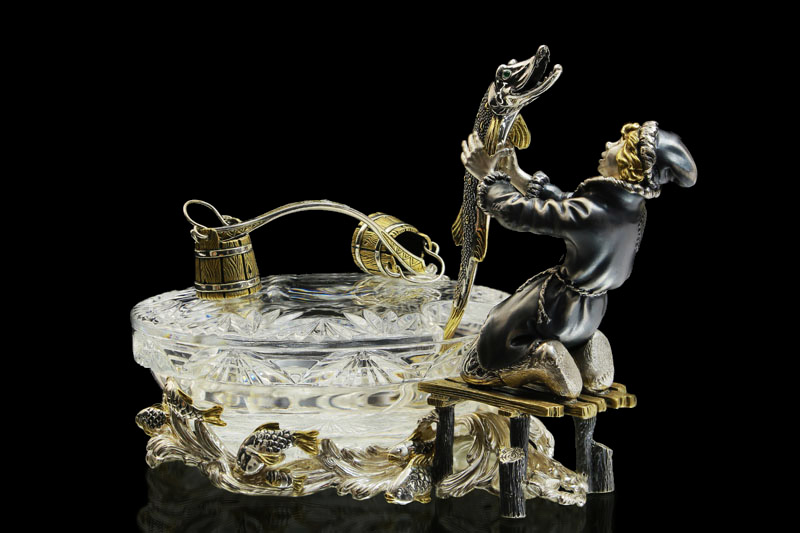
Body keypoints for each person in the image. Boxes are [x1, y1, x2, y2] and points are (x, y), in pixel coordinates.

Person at [459, 122, 697, 398]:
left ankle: (543, 357)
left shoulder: (593, 213)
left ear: (630, 163)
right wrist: (516, 175)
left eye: (619, 143)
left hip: (557, 307)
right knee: (569, 336)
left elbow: (521, 214)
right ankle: (588, 357)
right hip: (592, 312)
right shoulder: (629, 209)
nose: (608, 144)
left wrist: (489, 177)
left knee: (498, 332)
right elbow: (565, 203)